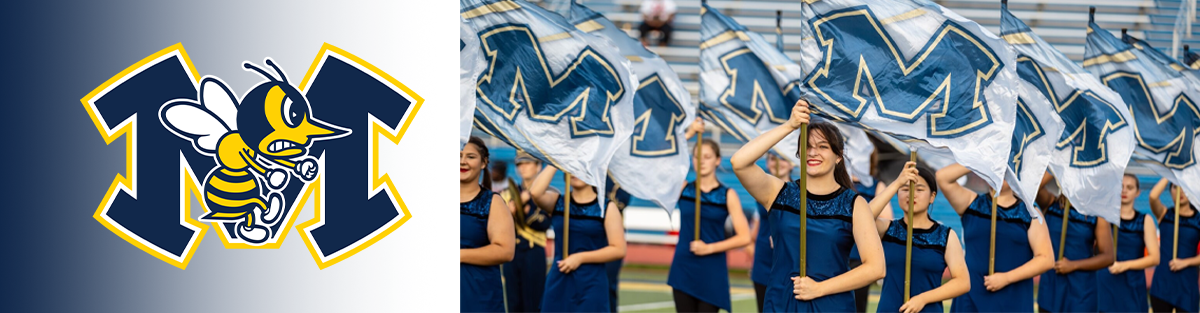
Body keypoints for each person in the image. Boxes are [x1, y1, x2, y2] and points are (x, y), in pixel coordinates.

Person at [730, 100, 885, 312]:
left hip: (832, 305)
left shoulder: (854, 204)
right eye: (807, 147)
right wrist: (790, 126)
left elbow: (876, 268)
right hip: (782, 304)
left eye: (822, 147)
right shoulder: (780, 193)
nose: (813, 153)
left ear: (838, 156)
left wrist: (819, 288)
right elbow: (739, 162)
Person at [936, 164, 1053, 312]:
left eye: (1006, 170)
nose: (1000, 174)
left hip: (1013, 299)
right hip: (970, 298)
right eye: (996, 169)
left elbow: (1046, 259)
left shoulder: (1030, 212)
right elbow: (943, 177)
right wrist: (981, 156)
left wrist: (1007, 278)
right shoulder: (972, 203)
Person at [868, 162, 970, 313]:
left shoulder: (945, 235)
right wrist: (897, 183)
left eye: (920, 189)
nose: (912, 194)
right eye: (905, 189)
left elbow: (963, 282)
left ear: (932, 197)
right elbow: (863, 217)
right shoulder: (887, 229)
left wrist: (923, 299)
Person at [668, 137, 751, 313]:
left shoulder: (727, 195)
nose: (702, 161)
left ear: (718, 160)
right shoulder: (682, 188)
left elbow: (744, 237)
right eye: (697, 157)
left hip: (712, 270)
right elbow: (665, 164)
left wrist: (709, 248)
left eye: (707, 156)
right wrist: (690, 133)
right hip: (684, 267)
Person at [529, 166, 627, 312]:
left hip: (591, 283)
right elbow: (535, 192)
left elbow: (618, 249)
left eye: (581, 168)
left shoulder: (606, 207)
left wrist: (580, 258)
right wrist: (555, 159)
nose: (575, 173)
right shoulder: (558, 202)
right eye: (572, 168)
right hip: (560, 278)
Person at [1033, 173, 1114, 313]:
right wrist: (1056, 164)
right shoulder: (1051, 203)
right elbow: (1033, 187)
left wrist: (1073, 265)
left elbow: (1108, 257)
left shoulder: (1097, 214)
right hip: (1051, 286)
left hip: (1081, 291)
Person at [460, 136, 515, 313]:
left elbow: (505, 251)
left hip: (478, 296)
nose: (462, 161)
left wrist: (458, 255)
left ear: (483, 163)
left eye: (470, 156)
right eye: (458, 155)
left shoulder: (493, 202)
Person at [500, 151, 554, 313]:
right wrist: (510, 213)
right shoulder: (508, 193)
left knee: (533, 302)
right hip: (512, 252)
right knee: (513, 302)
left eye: (528, 163)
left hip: (533, 250)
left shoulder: (548, 193)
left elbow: (543, 223)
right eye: (520, 165)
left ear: (538, 167)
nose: (523, 168)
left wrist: (522, 206)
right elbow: (499, 225)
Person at [1097, 174, 1158, 313]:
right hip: (1105, 282)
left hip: (1132, 284)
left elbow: (1155, 258)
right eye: (1121, 186)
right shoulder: (1104, 217)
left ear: (1137, 193)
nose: (1124, 190)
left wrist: (1124, 265)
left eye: (1129, 188)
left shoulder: (1144, 220)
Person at [1148, 178, 1199, 313]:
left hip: (1187, 283)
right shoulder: (1164, 214)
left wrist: (1186, 262)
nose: (1180, 192)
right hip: (1162, 283)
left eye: (1185, 188)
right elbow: (1153, 196)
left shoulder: (1198, 219)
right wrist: (1170, 173)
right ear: (1170, 191)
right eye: (1176, 187)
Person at [849, 150, 891, 313]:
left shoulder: (875, 185)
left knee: (857, 306)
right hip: (837, 251)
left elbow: (886, 217)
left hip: (860, 256)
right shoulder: (838, 181)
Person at [751, 152, 793, 312]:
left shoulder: (802, 193)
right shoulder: (760, 190)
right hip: (763, 262)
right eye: (772, 158)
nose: (778, 163)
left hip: (789, 263)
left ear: (792, 163)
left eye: (783, 158)